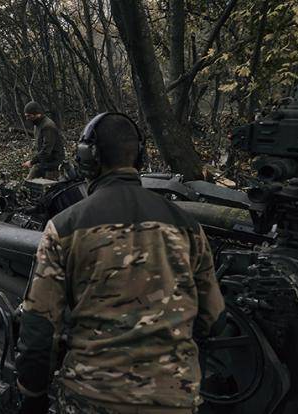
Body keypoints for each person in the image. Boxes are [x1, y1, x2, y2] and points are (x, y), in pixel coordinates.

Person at [16, 113, 225, 414]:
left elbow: (38, 330)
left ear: (88, 158)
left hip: (92, 398)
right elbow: (215, 321)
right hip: (174, 399)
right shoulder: (189, 226)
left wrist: (32, 396)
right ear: (140, 156)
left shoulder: (64, 227)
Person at [20, 101, 65, 180]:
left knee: (49, 189)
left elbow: (46, 150)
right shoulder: (37, 125)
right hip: (43, 163)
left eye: (29, 116)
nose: (27, 119)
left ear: (37, 114)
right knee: (28, 184)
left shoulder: (48, 126)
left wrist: (32, 162)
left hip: (52, 166)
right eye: (26, 116)